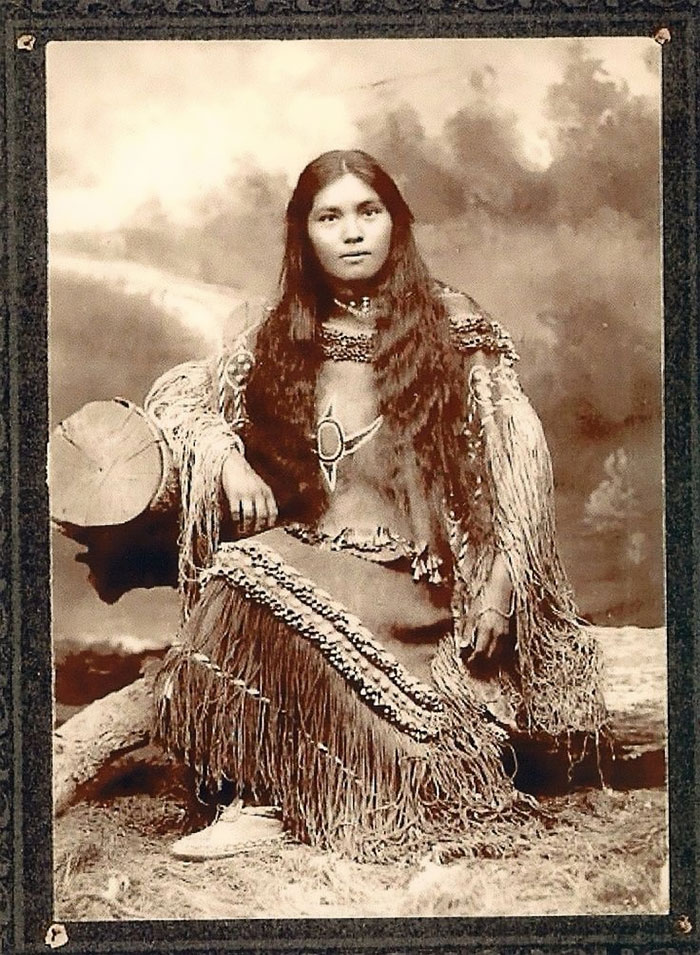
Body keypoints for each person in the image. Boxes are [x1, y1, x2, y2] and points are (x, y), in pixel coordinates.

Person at [145, 149, 606, 863]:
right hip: (315, 555)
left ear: (396, 222)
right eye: (330, 217)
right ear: (304, 234)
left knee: (252, 578)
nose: (353, 232)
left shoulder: (453, 321)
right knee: (240, 576)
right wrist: (227, 458)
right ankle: (264, 798)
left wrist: (501, 594)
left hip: (413, 579)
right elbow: (184, 395)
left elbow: (519, 461)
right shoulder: (279, 324)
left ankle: (293, 799)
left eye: (369, 211)